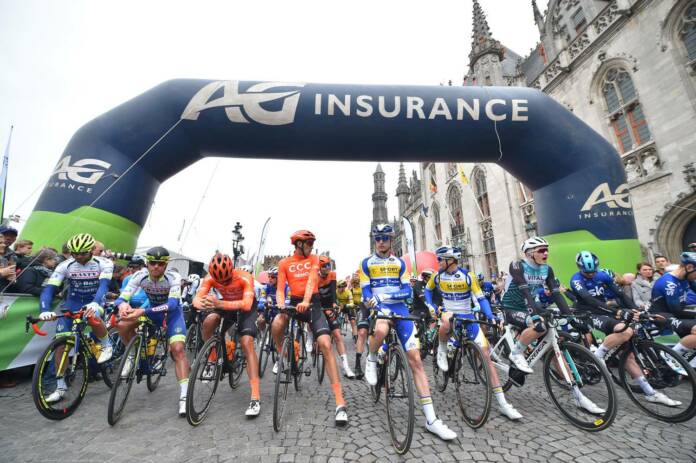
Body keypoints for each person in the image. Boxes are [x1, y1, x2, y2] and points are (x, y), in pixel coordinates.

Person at [362, 224, 456, 440]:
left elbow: (406, 290)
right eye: (378, 238)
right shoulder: (366, 263)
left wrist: (385, 296)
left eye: (385, 237)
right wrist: (372, 300)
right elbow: (366, 290)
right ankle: (372, 357)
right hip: (379, 310)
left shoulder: (399, 264)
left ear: (391, 239)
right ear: (375, 240)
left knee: (415, 359)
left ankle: (432, 419)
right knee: (381, 328)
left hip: (399, 309)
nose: (382, 241)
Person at [571, 251, 681, 407]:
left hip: (604, 312)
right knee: (625, 330)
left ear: (597, 267)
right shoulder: (576, 279)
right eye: (586, 272)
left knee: (628, 355)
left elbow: (621, 294)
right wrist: (617, 311)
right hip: (587, 312)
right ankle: (598, 357)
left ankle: (650, 393)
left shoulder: (602, 276)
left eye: (593, 271)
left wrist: (636, 309)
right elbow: (589, 300)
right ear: (580, 268)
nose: (590, 274)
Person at [426, 246, 521, 420]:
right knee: (446, 321)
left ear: (450, 260)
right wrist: (432, 306)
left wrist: (490, 316)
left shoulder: (468, 277)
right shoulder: (437, 276)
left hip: (468, 317)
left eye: (440, 259)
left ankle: (503, 404)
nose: (438, 263)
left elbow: (482, 298)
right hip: (449, 315)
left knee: (486, 357)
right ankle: (441, 348)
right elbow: (427, 290)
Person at [271, 230, 348, 425]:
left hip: (312, 304)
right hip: (293, 303)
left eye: (313, 243)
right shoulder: (284, 263)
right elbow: (280, 289)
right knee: (277, 323)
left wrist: (306, 301)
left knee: (324, 342)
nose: (312, 246)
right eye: (309, 243)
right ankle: (284, 357)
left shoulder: (314, 259)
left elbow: (312, 281)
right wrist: (280, 303)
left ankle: (340, 402)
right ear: (298, 244)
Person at [114, 246, 190, 416]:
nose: (156, 267)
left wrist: (143, 311)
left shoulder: (173, 277)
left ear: (166, 265)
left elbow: (171, 305)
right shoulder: (139, 276)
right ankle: (133, 354)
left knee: (177, 349)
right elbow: (122, 297)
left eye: (160, 264)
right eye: (153, 263)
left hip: (171, 315)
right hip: (151, 312)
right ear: (147, 263)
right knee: (122, 325)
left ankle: (184, 395)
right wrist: (122, 305)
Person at [38, 233, 114, 402]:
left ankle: (106, 343)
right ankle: (60, 386)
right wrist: (44, 309)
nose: (79, 257)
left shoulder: (104, 263)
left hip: (95, 299)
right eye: (75, 254)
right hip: (72, 303)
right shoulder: (65, 265)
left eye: (83, 253)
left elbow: (103, 286)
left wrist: (95, 303)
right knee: (61, 343)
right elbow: (49, 289)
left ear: (91, 251)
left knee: (93, 315)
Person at [193, 253, 261, 416]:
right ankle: (211, 359)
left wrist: (218, 302)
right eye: (220, 281)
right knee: (209, 321)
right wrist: (203, 302)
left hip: (246, 307)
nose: (223, 283)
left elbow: (246, 305)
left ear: (231, 270)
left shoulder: (244, 277)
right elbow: (197, 300)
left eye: (226, 279)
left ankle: (255, 397)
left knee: (246, 342)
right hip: (224, 305)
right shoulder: (209, 278)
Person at [500, 237, 571, 374]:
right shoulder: (518, 265)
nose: (546, 253)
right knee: (538, 326)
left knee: (552, 344)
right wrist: (534, 316)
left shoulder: (547, 269)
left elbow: (556, 293)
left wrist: (569, 314)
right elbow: (525, 291)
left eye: (547, 250)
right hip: (512, 307)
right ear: (529, 253)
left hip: (529, 305)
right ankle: (516, 353)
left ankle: (574, 388)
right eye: (542, 250)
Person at [650, 252, 696, 368]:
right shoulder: (669, 283)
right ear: (689, 267)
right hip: (663, 315)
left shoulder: (686, 277)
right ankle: (670, 357)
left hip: (678, 312)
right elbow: (677, 311)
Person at [317, 255, 356, 379]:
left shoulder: (332, 275)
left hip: (329, 306)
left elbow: (333, 293)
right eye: (324, 266)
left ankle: (346, 367)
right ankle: (311, 338)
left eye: (329, 265)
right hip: (317, 305)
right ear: (319, 267)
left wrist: (333, 305)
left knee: (338, 336)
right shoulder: (314, 277)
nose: (327, 268)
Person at [349, 273, 369, 379]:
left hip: (380, 305)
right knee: (362, 333)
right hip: (364, 306)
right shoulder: (361, 283)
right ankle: (357, 365)